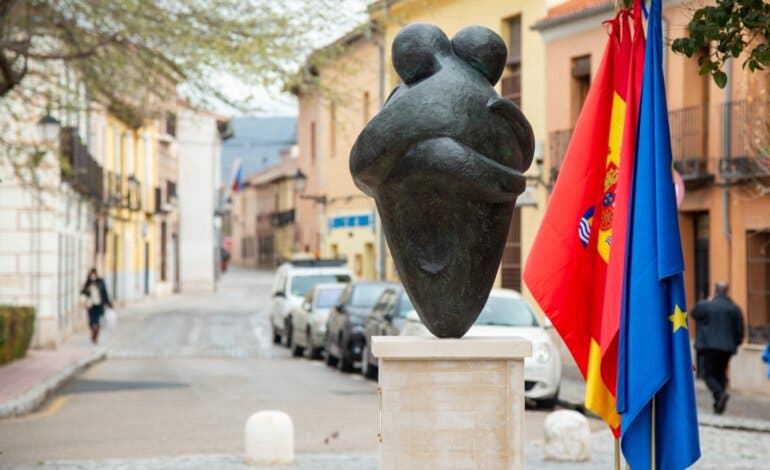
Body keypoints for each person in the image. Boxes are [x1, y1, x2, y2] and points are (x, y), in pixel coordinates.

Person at [691, 282, 744, 414]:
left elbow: (694, 313)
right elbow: (740, 330)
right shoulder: (734, 308)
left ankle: (720, 395)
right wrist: (736, 343)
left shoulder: (707, 305)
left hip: (709, 347)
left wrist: (707, 300)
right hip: (727, 348)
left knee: (708, 375)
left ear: (715, 291)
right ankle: (718, 403)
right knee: (720, 374)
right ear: (727, 292)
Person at [81, 268, 112, 344]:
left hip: (99, 305)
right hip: (91, 306)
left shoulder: (101, 282)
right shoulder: (88, 283)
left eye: (93, 274)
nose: (93, 276)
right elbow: (83, 292)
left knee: (97, 321)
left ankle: (95, 336)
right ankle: (93, 334)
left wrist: (108, 303)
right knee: (91, 322)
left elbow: (105, 292)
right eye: (91, 274)